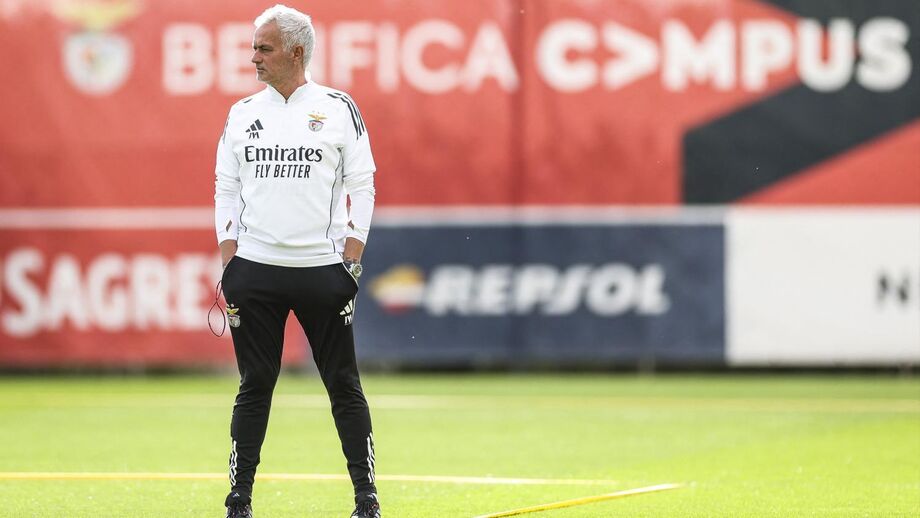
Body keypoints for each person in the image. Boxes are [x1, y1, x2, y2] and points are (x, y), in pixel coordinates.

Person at [213, 5, 380, 518]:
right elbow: (225, 187)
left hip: (320, 270)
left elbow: (363, 184)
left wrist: (351, 258)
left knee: (343, 385)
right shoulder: (242, 112)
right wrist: (230, 261)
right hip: (256, 271)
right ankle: (238, 501)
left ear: (296, 51)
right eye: (254, 47)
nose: (254, 58)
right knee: (255, 384)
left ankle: (366, 500)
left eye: (264, 48)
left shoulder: (337, 106)